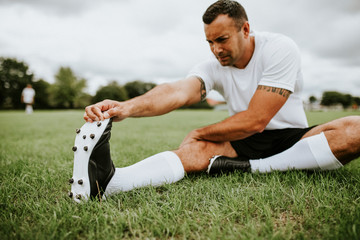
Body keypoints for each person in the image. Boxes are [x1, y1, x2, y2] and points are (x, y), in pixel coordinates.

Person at [69, 0, 360, 201]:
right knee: (194, 153)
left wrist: (198, 132)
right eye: (209, 42)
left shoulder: (280, 48)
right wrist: (127, 107)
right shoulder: (213, 66)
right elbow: (177, 91)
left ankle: (253, 168)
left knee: (355, 130)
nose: (215, 50)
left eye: (221, 39)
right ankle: (110, 183)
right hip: (243, 142)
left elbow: (256, 120)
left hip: (295, 138)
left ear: (245, 30)